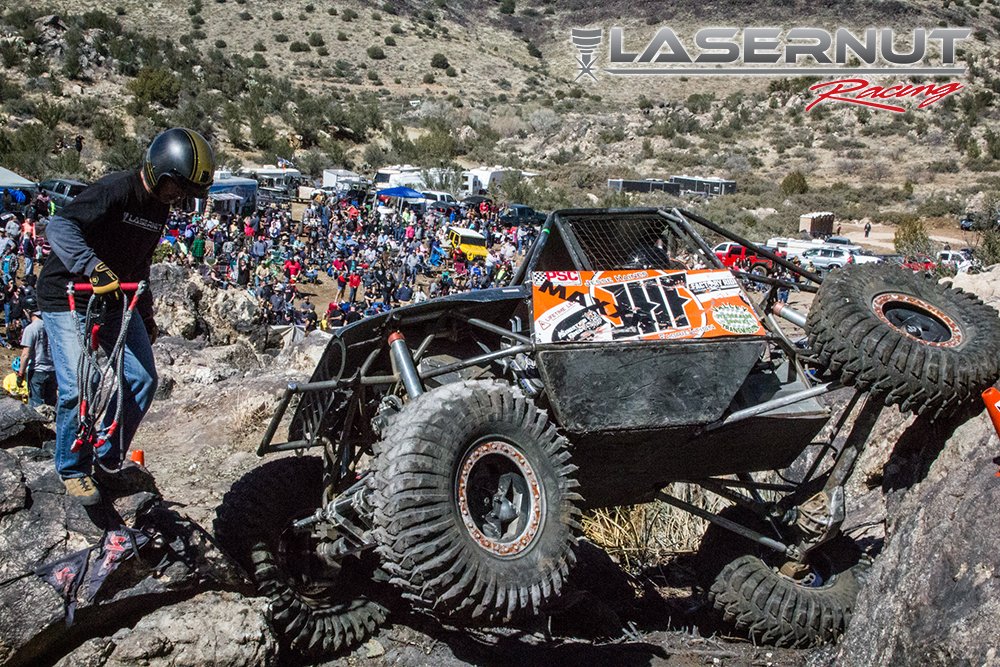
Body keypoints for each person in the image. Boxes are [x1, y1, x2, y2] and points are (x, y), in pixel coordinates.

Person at [37, 127, 215, 506]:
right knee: (80, 385)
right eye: (177, 187)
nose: (179, 197)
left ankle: (106, 457)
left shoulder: (159, 209)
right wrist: (91, 266)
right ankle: (72, 469)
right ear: (159, 170)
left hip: (114, 298)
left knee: (143, 379)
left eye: (185, 192)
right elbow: (60, 226)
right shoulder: (117, 188)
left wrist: (146, 316)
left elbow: (140, 263)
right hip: (67, 294)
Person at [18, 298, 56, 408]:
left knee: (36, 405)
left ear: (28, 311)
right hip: (53, 370)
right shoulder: (52, 326)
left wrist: (20, 373)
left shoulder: (31, 329)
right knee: (51, 403)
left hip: (37, 370)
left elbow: (25, 354)